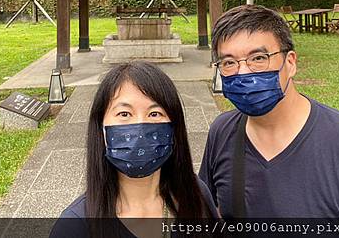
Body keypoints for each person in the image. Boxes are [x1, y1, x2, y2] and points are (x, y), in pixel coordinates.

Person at [199, 5, 339, 225]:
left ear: (291, 63)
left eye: (258, 58)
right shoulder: (222, 133)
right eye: (229, 63)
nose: (243, 72)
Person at [51, 61, 218, 238]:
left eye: (155, 113)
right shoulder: (74, 228)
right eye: (124, 114)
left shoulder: (196, 194)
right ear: (101, 128)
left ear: (174, 128)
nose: (139, 128)